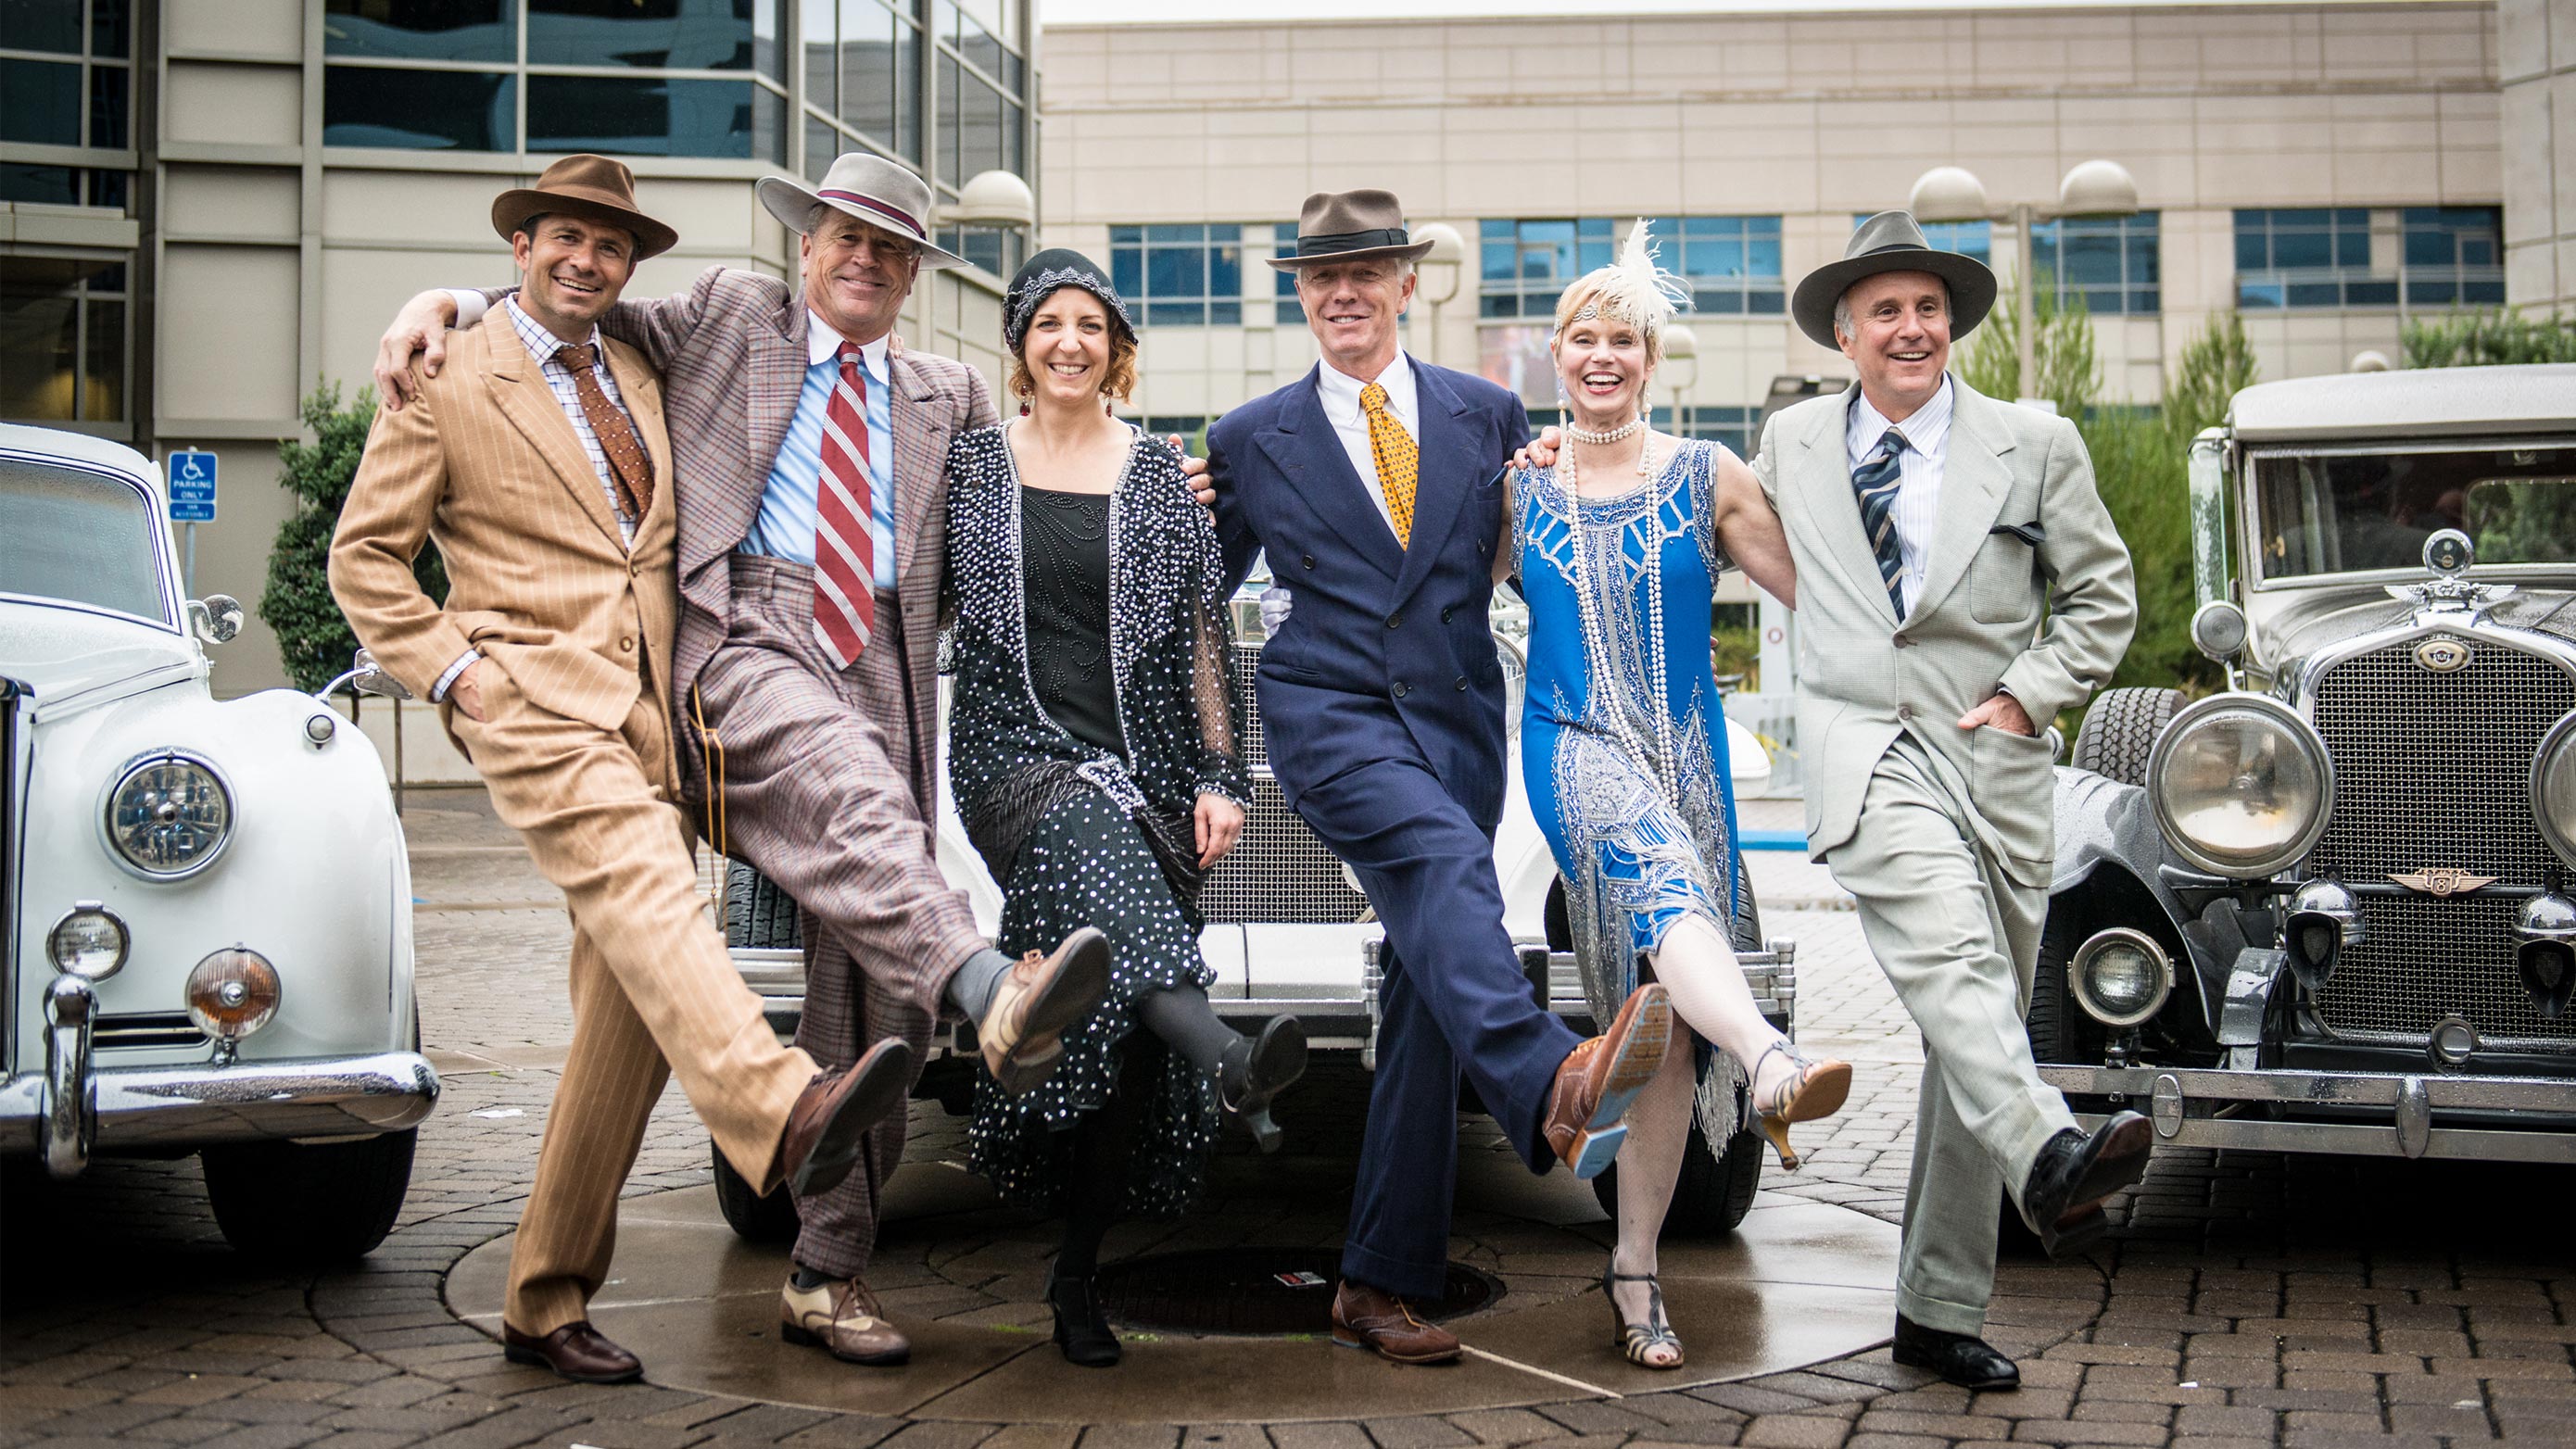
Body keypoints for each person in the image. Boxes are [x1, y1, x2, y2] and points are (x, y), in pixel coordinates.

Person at [367, 155, 1177, 1370]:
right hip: (747, 634)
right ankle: (986, 984)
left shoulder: (948, 396)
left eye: (890, 250)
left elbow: (1033, 505)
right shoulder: (729, 316)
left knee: (857, 986)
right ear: (806, 249)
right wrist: (445, 304)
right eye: (844, 238)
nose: (863, 260)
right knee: (854, 804)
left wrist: (1169, 493)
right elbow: (560, 313)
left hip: (885, 665)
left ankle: (818, 1272)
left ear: (911, 276)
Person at [330, 156, 917, 1385]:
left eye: (607, 246)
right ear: (522, 245)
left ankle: (544, 1299)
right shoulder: (447, 376)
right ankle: (783, 1108)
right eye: (563, 239)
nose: (584, 261)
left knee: (630, 1013)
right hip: (532, 703)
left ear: (627, 265)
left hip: (655, 721)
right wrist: (455, 675)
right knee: (653, 888)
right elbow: (366, 561)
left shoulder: (645, 367)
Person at [1206, 189, 1674, 1367]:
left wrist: (1593, 461)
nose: (1345, 291)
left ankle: (1376, 1281)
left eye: (1368, 269)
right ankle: (1549, 1080)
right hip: (1329, 718)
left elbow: (1551, 564)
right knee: (1446, 863)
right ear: (1300, 293)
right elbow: (1187, 600)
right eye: (1323, 274)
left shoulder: (1485, 415)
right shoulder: (1248, 438)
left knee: (1427, 991)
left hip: (1457, 725)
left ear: (1406, 283)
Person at [1764, 211, 2149, 1389]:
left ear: (1952, 323)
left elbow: (2102, 598)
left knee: (1961, 1028)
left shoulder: (2034, 442)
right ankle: (2046, 1152)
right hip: (1861, 747)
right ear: (1844, 330)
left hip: (1994, 761)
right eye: (1883, 309)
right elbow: (1683, 509)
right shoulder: (1786, 443)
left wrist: (2031, 696)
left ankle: (1936, 1308)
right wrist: (1548, 462)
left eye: (1926, 307)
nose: (1909, 327)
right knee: (1955, 962)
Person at [943, 250, 1307, 1368]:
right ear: (1018, 344)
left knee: (1123, 1036)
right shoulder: (965, 469)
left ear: (1116, 350)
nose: (1068, 342)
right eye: (1047, 323)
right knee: (1109, 891)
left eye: (1089, 326)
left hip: (1148, 775)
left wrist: (1213, 773)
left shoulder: (1157, 475)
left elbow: (1204, 634)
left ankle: (1074, 1276)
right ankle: (1227, 1053)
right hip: (1016, 764)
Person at [1510, 224, 1850, 1370]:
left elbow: (1823, 598)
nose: (1600, 356)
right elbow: (1410, 589)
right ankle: (1769, 1061)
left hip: (1690, 762)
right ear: (1554, 355)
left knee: (1655, 1021)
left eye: (1622, 339)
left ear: (1651, 358)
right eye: (1580, 338)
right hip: (1571, 747)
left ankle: (1635, 1269)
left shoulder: (1706, 476)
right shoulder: (1517, 486)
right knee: (1655, 886)